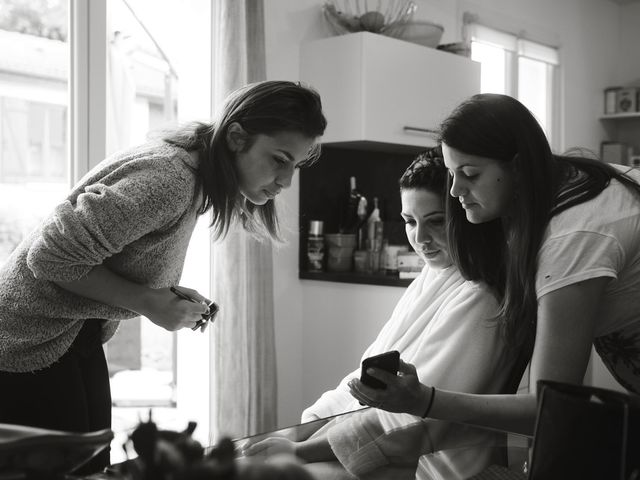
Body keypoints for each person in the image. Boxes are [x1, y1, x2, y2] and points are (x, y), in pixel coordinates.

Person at [0, 80, 327, 473]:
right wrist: (148, 302)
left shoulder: (191, 174)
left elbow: (103, 257)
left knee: (89, 469)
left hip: (66, 337)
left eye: (295, 164)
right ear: (238, 137)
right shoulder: (171, 179)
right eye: (279, 159)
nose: (286, 181)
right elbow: (51, 256)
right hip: (25, 343)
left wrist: (160, 293)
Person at [349, 93, 640, 437]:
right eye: (451, 173)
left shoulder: (573, 236)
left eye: (470, 174)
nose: (455, 190)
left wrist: (423, 400)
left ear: (517, 166)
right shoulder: (564, 181)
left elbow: (551, 406)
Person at [243, 148, 517, 479]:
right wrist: (295, 432)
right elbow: (363, 381)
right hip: (375, 454)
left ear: (462, 215)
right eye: (409, 222)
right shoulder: (430, 277)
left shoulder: (481, 300)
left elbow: (404, 425)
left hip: (426, 470)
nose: (420, 238)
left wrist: (299, 451)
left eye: (435, 221)